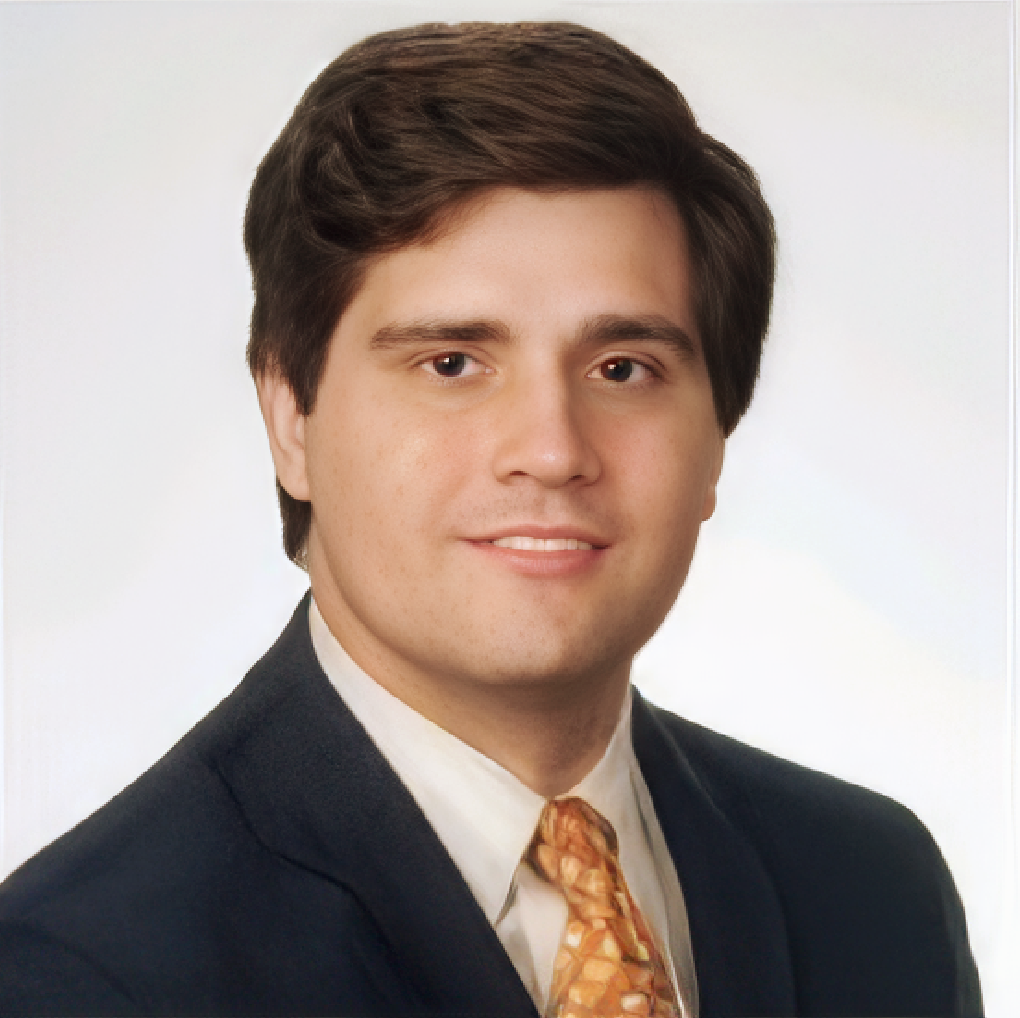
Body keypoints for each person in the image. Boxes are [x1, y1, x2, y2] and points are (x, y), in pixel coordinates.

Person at [0, 20, 982, 1017]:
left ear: (718, 434)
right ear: (290, 415)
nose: (553, 449)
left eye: (623, 369)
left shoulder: (876, 890)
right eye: (453, 363)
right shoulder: (79, 972)